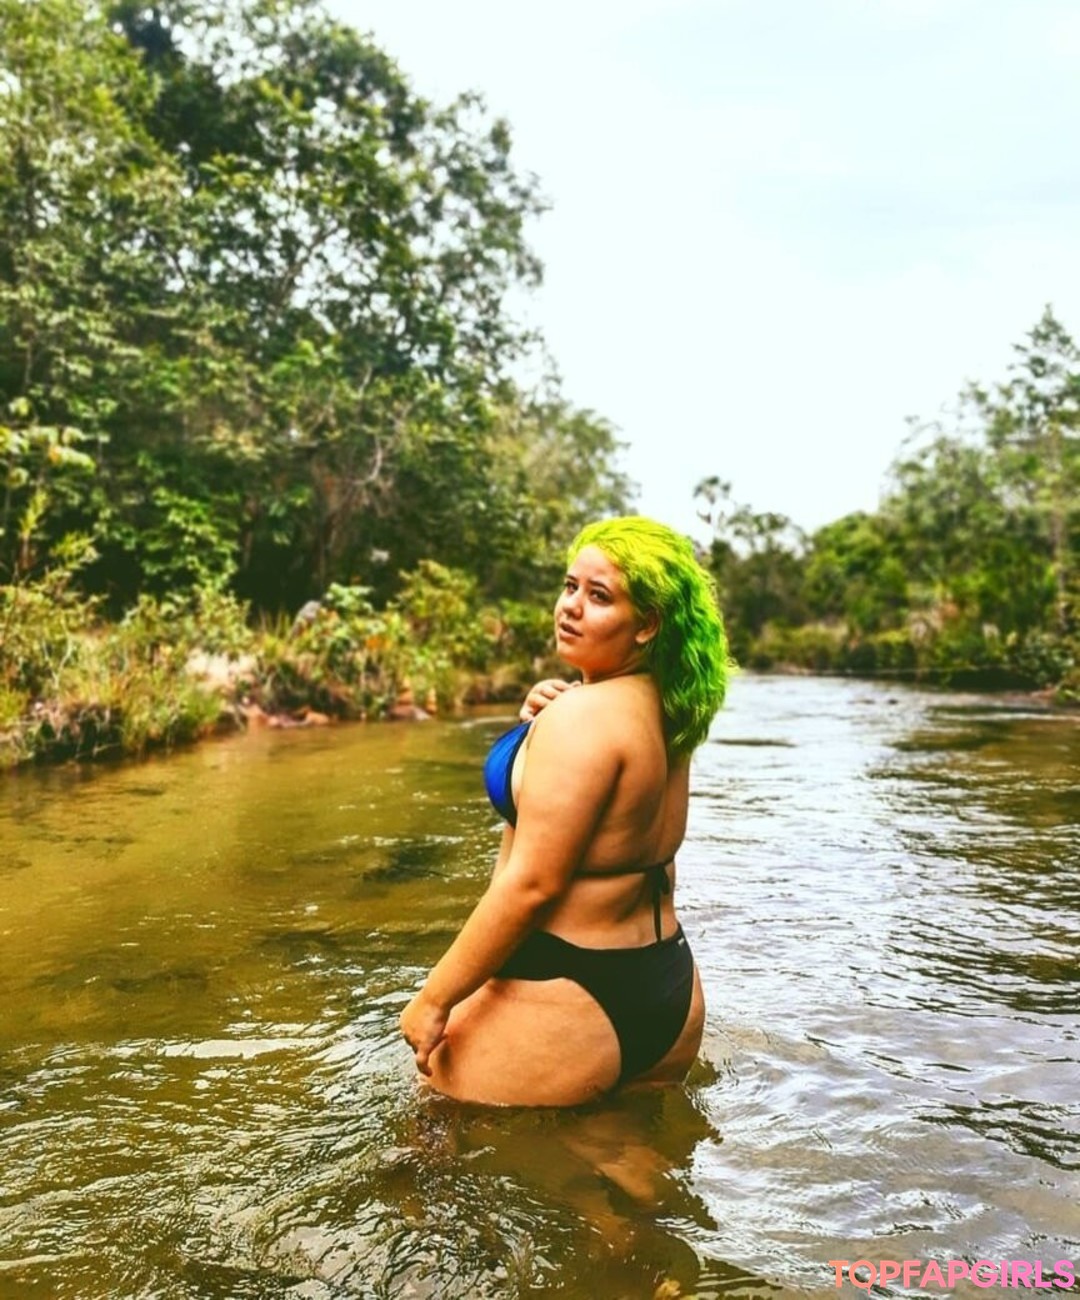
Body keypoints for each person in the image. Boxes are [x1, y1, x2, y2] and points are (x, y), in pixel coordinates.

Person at [400, 516, 728, 1106]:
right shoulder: (669, 711)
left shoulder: (581, 719)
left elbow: (532, 884)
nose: (571, 606)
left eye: (599, 596)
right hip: (668, 986)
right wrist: (540, 725)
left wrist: (434, 999)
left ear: (647, 624)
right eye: (570, 586)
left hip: (569, 989)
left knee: (431, 1134)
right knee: (633, 1154)